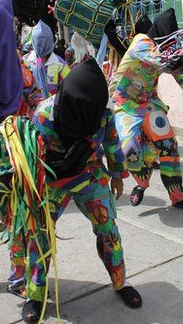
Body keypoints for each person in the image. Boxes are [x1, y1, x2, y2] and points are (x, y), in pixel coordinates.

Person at [25, 59, 142, 322]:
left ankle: (120, 282)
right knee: (40, 233)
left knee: (109, 229)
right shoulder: (44, 116)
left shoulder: (103, 111)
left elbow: (112, 141)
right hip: (52, 178)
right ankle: (35, 293)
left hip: (90, 174)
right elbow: (31, 156)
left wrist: (117, 175)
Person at [111, 8, 183, 210]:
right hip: (125, 104)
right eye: (168, 43)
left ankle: (177, 196)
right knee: (129, 150)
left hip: (149, 102)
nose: (170, 47)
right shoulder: (142, 43)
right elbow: (161, 61)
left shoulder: (167, 53)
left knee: (168, 145)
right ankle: (142, 183)